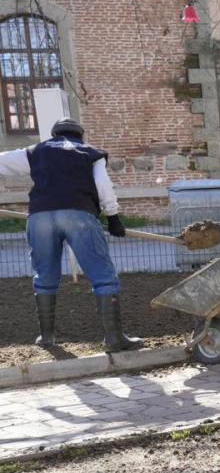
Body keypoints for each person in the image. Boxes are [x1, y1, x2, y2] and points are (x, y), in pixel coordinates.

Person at [0, 118, 142, 352]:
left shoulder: (36, 150)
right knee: (103, 276)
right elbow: (102, 184)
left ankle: (46, 338)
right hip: (78, 214)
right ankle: (114, 339)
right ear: (81, 135)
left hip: (40, 217)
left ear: (54, 134)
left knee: (44, 276)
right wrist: (113, 216)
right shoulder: (90, 153)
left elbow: (2, 162)